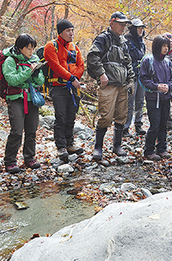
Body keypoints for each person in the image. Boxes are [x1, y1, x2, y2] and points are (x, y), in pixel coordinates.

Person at [87, 11, 135, 161]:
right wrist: (101, 74)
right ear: (112, 23)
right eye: (121, 24)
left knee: (121, 115)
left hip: (123, 84)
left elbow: (128, 62)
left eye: (124, 25)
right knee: (106, 116)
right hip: (108, 84)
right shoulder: (103, 38)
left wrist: (132, 80)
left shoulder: (123, 42)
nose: (123, 27)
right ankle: (98, 147)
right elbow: (92, 56)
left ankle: (117, 146)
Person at [2, 34, 45, 174]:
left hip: (32, 99)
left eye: (33, 48)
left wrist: (36, 73)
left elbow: (40, 81)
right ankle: (10, 161)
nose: (32, 51)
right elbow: (12, 80)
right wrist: (29, 70)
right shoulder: (10, 60)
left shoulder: (34, 59)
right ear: (20, 48)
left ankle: (29, 158)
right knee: (17, 131)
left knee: (32, 130)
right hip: (15, 98)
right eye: (29, 48)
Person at [44, 19, 85, 161]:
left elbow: (81, 65)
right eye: (68, 30)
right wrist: (71, 78)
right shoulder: (51, 46)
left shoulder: (75, 47)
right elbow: (55, 66)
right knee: (61, 117)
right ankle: (61, 146)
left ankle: (70, 143)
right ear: (60, 32)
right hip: (58, 87)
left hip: (73, 88)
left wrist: (75, 79)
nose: (71, 33)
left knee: (71, 116)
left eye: (72, 30)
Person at [140, 35, 172, 161]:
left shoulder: (168, 62)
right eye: (163, 46)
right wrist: (156, 86)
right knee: (154, 124)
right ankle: (149, 150)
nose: (166, 48)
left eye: (167, 46)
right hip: (153, 98)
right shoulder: (148, 60)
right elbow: (143, 78)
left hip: (165, 98)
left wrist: (168, 86)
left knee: (163, 124)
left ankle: (162, 148)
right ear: (157, 46)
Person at [122, 18, 147, 137]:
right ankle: (125, 128)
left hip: (140, 76)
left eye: (142, 28)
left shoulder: (142, 42)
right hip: (130, 77)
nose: (141, 30)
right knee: (129, 103)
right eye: (139, 28)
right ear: (133, 29)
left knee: (140, 102)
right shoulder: (126, 41)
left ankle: (138, 125)